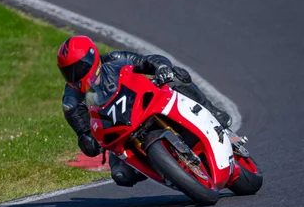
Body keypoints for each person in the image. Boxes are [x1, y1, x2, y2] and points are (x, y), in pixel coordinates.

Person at [57, 35, 232, 187]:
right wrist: (91, 143)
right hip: (120, 134)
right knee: (121, 175)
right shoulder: (71, 103)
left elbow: (148, 61)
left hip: (145, 104)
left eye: (78, 68)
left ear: (92, 58)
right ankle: (166, 170)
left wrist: (162, 69)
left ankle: (213, 111)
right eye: (68, 72)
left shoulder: (115, 59)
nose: (74, 76)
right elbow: (84, 136)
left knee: (177, 76)